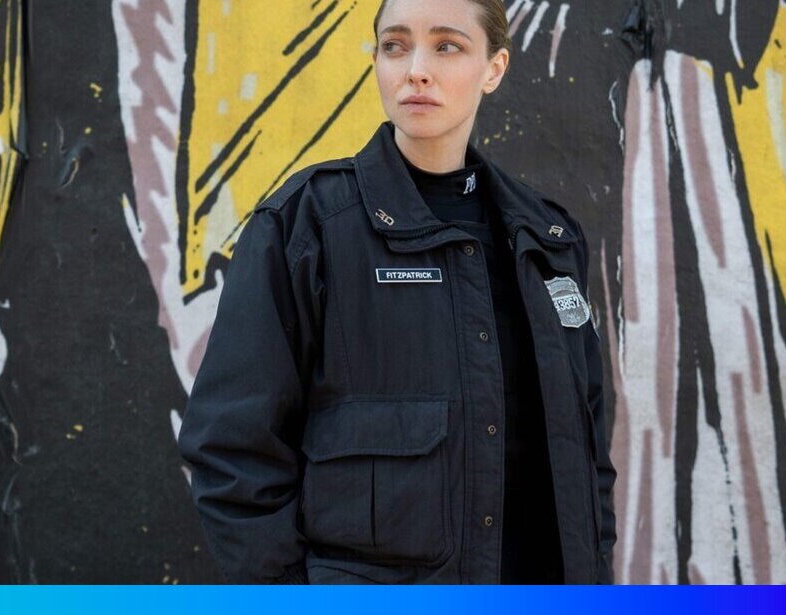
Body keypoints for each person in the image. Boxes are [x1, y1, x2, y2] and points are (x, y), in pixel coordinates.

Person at [178, 0, 616, 585]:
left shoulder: (548, 238)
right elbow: (230, 451)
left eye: (446, 46)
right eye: (395, 46)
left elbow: (588, 452)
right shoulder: (306, 226)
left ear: (494, 68)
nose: (416, 70)